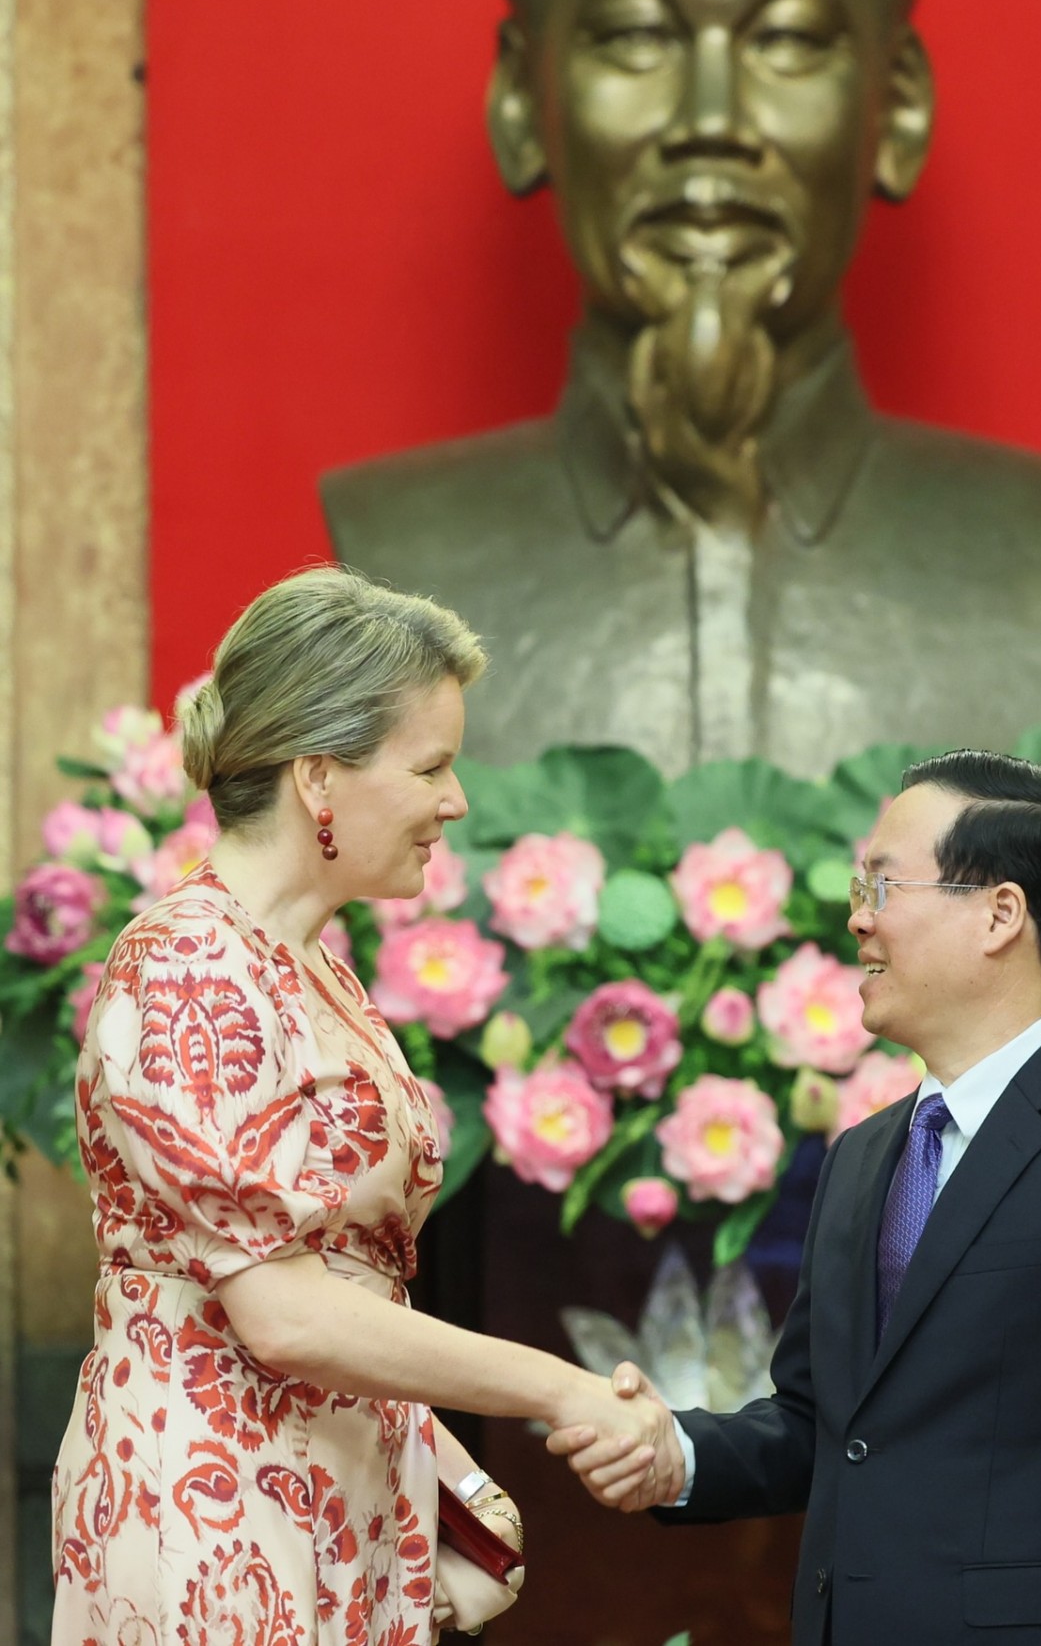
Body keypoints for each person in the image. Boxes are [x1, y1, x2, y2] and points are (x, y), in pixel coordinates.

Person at [322, 0, 1041, 780]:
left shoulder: (1019, 541)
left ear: (895, 108)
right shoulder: (397, 546)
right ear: (521, 100)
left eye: (786, 38)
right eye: (637, 35)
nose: (712, 122)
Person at [50, 567, 675, 1646]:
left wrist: (434, 1467)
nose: (456, 799)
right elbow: (286, 1313)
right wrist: (564, 1388)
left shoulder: (306, 964)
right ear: (318, 777)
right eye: (430, 764)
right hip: (214, 1499)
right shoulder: (191, 963)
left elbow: (341, 1285)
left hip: (314, 1484)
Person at [553, 751, 1041, 1645]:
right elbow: (822, 1423)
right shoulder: (863, 1155)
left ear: (1000, 912)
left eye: (883, 884)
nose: (857, 918)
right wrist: (674, 1455)